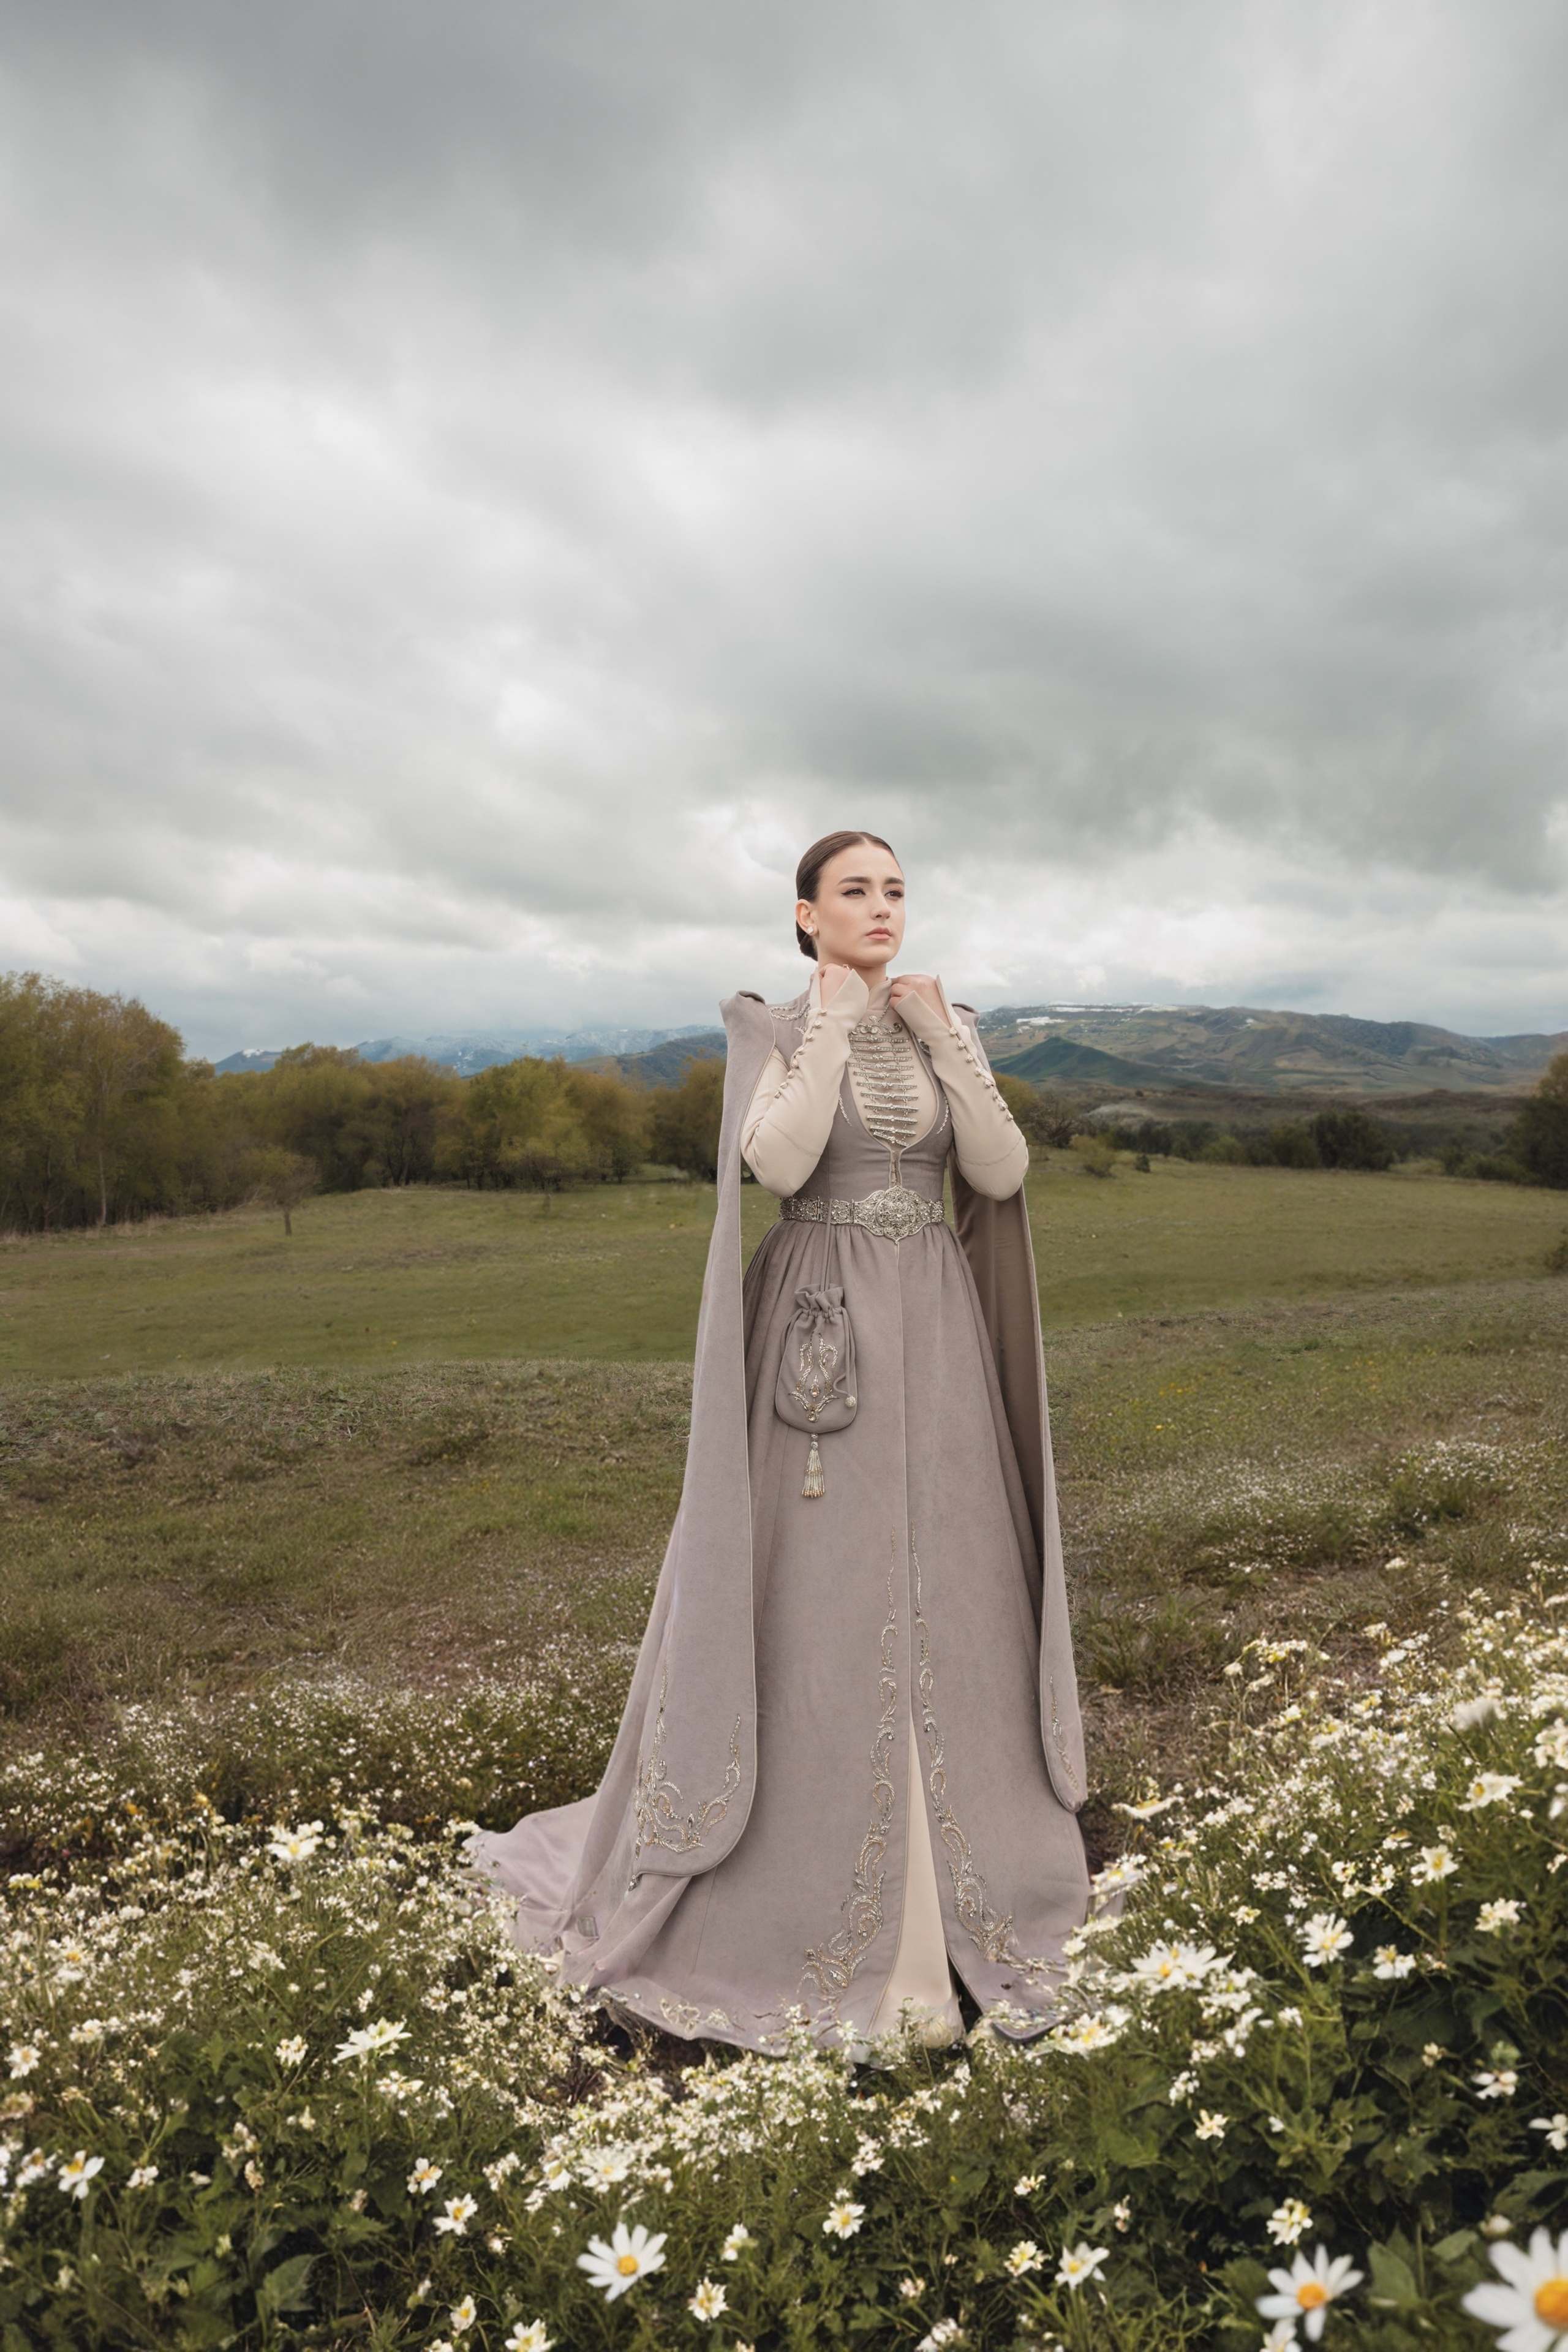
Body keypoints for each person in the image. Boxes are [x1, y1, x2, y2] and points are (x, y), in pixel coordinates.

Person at [469, 831, 1090, 2054]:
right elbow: (780, 1163)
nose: (880, 907)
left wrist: (947, 1039)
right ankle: (828, 1910)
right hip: (822, 1333)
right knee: (823, 1592)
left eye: (895, 890)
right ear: (805, 917)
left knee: (954, 1583)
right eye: (853, 892)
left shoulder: (937, 1023)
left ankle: (969, 1886)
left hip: (940, 1336)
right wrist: (829, 1020)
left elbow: (1001, 1170)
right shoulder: (772, 1028)